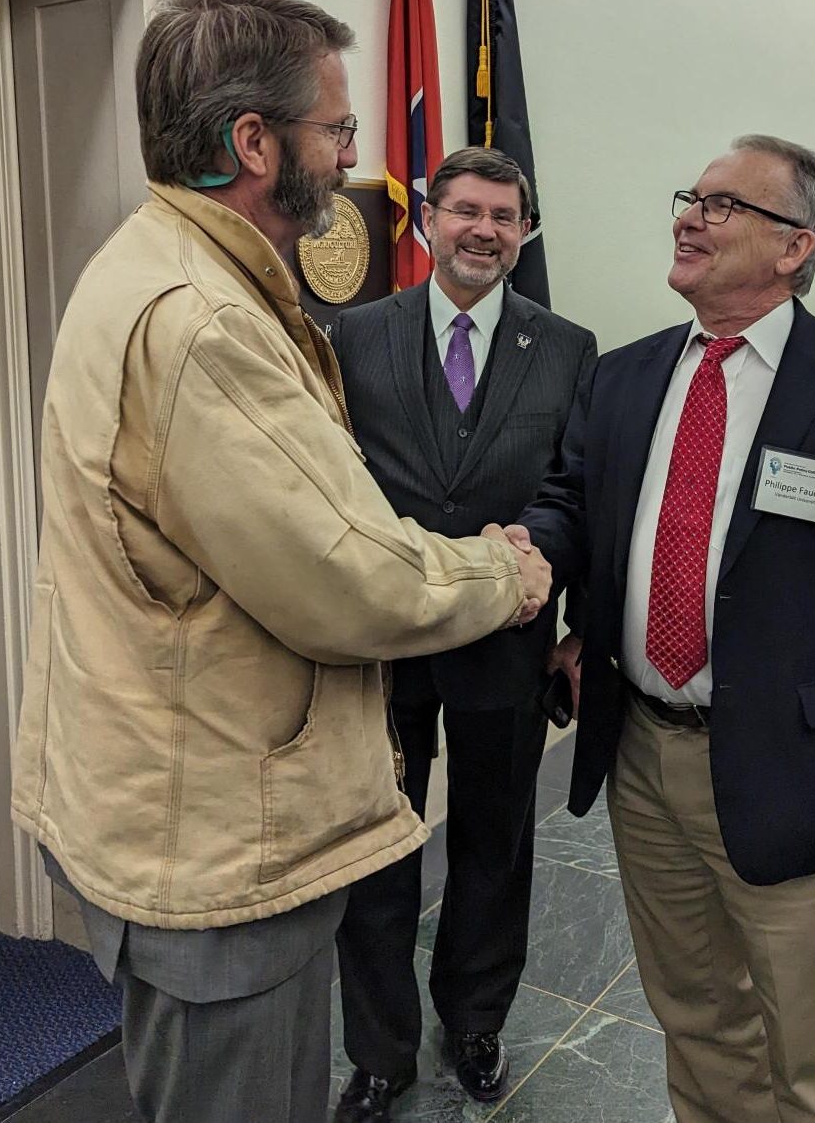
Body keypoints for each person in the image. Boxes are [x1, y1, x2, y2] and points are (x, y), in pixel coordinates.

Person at [9, 0, 551, 1123]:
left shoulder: (152, 262)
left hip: (172, 796)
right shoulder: (204, 321)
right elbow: (348, 577)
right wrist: (507, 571)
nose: (353, 155)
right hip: (217, 839)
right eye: (338, 129)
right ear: (254, 141)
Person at [512, 134, 815, 1123]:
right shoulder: (623, 375)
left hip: (794, 765)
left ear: (795, 246)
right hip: (641, 754)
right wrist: (532, 553)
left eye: (719, 204)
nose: (687, 216)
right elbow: (576, 503)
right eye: (689, 198)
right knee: (696, 1020)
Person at [329, 146, 596, 1121]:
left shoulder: (566, 347)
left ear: (523, 232)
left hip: (506, 638)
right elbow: (333, 480)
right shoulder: (353, 336)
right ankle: (377, 1048)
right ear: (426, 219)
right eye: (466, 210)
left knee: (493, 841)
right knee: (374, 848)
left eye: (504, 215)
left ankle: (474, 1019)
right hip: (379, 643)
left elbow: (575, 488)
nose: (485, 229)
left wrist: (558, 588)